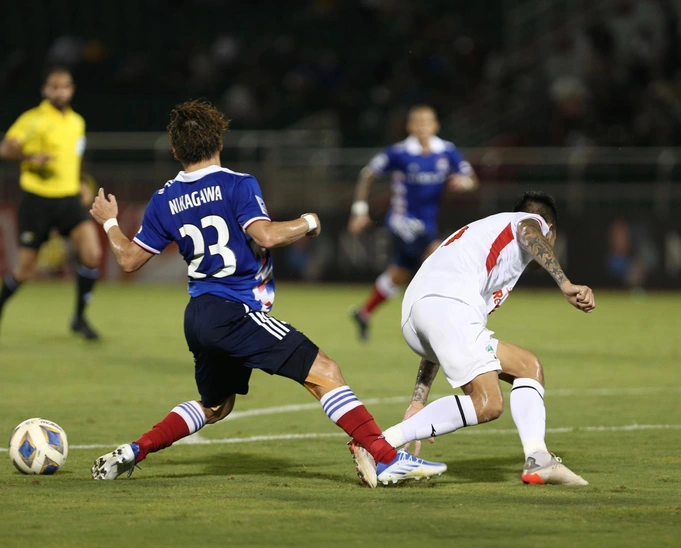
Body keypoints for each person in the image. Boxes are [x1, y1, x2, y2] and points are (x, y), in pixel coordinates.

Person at [89, 100, 446, 486]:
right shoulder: (238, 183)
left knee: (215, 405)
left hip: (199, 315)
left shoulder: (164, 200)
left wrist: (109, 221)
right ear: (219, 142)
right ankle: (385, 457)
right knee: (325, 371)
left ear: (176, 151)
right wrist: (309, 221)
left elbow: (127, 259)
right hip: (235, 311)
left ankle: (134, 450)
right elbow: (267, 235)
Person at [349, 191, 595, 487]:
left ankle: (538, 458)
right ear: (550, 229)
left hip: (419, 315)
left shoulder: (483, 245)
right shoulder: (529, 222)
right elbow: (529, 231)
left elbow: (443, 334)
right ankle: (377, 445)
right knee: (488, 403)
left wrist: (419, 399)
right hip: (445, 305)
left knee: (528, 366)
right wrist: (565, 283)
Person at [348, 105, 478, 341]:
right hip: (402, 220)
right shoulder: (399, 152)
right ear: (409, 127)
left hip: (428, 221)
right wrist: (359, 211)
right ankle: (447, 325)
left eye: (427, 122)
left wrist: (464, 183)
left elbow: (471, 180)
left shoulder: (446, 151)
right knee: (440, 258)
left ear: (436, 125)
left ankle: (364, 312)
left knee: (398, 274)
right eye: (417, 122)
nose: (422, 127)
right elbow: (368, 174)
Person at [0, 66, 102, 340]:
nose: (60, 91)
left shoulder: (77, 122)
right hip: (37, 200)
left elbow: (74, 158)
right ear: (45, 90)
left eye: (65, 86)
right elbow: (6, 148)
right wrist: (30, 157)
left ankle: (79, 318)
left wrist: (81, 183)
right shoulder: (33, 119)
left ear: (71, 90)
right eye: (54, 87)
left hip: (68, 199)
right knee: (24, 270)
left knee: (92, 253)